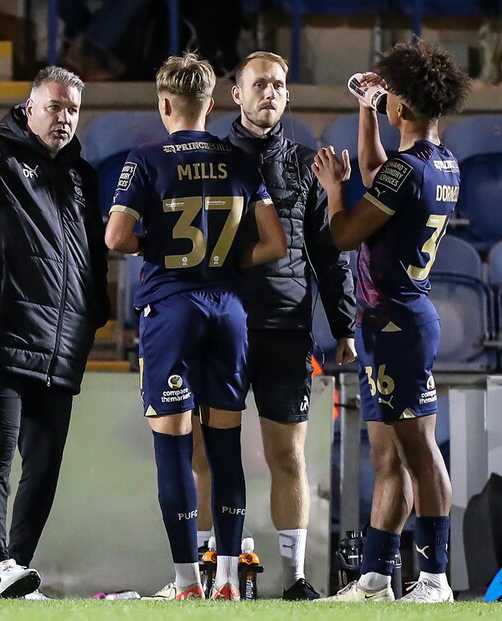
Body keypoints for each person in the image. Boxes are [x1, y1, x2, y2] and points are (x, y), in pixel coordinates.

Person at [105, 52, 287, 601]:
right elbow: (277, 244)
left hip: (172, 308)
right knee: (226, 447)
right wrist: (229, 262)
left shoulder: (145, 158)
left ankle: (187, 580)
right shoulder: (241, 161)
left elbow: (115, 238)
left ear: (164, 104)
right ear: (211, 105)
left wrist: (154, 248)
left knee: (174, 448)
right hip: (229, 310)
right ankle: (229, 579)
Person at [0, 66, 110, 600]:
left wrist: (93, 312)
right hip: (2, 334)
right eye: (54, 106)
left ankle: (15, 572)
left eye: (72, 110)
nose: (64, 118)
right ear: (29, 108)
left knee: (46, 465)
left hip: (61, 343)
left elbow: (93, 257)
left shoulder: (83, 175)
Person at [190, 50, 357, 601]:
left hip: (286, 331)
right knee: (210, 456)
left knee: (288, 457)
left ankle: (294, 579)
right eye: (259, 84)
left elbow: (329, 255)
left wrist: (345, 327)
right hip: (222, 327)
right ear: (235, 94)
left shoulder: (308, 166)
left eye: (279, 85)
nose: (270, 93)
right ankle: (211, 575)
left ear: (287, 95)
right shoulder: (208, 160)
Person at [311, 40, 471, 603]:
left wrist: (334, 190)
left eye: (389, 100)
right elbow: (382, 173)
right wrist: (364, 112)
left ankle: (434, 579)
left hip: (398, 322)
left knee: (419, 451)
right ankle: (376, 580)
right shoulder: (439, 160)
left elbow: (343, 234)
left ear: (401, 109)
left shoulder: (408, 169)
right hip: (394, 321)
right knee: (387, 455)